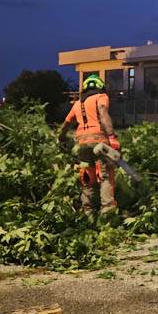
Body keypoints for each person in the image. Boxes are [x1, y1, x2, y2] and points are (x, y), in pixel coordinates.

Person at [57, 73, 118, 217]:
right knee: (105, 175)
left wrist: (60, 138)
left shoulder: (78, 103)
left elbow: (66, 124)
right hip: (99, 140)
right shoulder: (101, 97)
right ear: (100, 87)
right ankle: (107, 211)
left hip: (82, 143)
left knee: (86, 178)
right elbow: (103, 114)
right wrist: (112, 137)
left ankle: (88, 211)